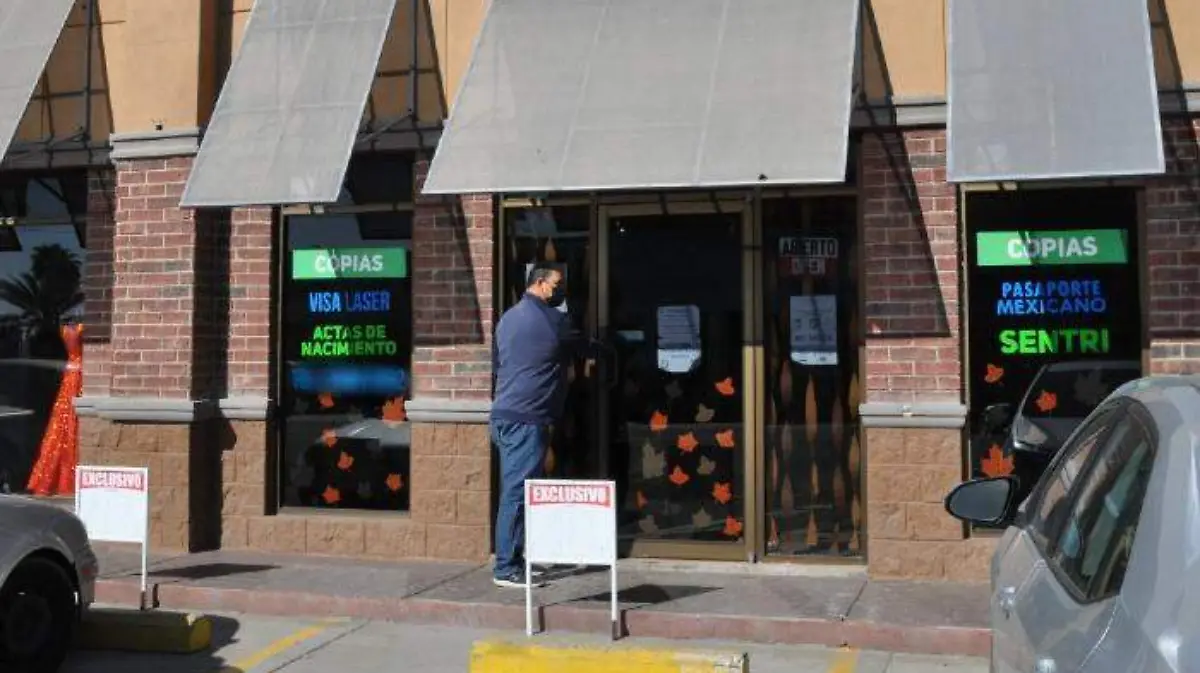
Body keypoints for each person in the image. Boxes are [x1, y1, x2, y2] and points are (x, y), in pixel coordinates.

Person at [490, 262, 582, 588]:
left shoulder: (507, 319)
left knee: (521, 491)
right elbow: (581, 346)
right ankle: (506, 568)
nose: (561, 290)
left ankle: (517, 559)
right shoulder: (553, 320)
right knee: (516, 494)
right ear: (540, 283)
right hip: (525, 420)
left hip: (505, 415)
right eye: (558, 284)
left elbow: (498, 365)